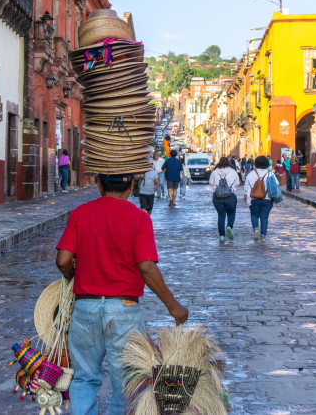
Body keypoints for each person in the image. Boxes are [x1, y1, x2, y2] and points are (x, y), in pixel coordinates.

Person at [56, 173, 189, 414]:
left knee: (84, 379)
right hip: (124, 311)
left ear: (98, 185)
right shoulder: (139, 218)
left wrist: (71, 277)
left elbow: (63, 260)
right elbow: (146, 266)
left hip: (85, 308)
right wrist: (173, 305)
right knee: (127, 383)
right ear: (131, 186)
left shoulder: (80, 214)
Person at [243, 156, 276, 241]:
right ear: (267, 164)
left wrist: (245, 195)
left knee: (254, 215)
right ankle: (263, 236)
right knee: (264, 217)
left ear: (256, 164)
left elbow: (246, 186)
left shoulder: (251, 174)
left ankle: (256, 229)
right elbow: (276, 183)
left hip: (253, 198)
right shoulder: (270, 173)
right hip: (267, 199)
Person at [209, 157, 240, 242]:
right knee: (231, 213)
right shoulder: (233, 171)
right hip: (230, 196)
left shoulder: (215, 171)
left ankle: (222, 235)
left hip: (217, 197)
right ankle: (229, 226)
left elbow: (211, 182)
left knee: (221, 215)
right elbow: (237, 183)